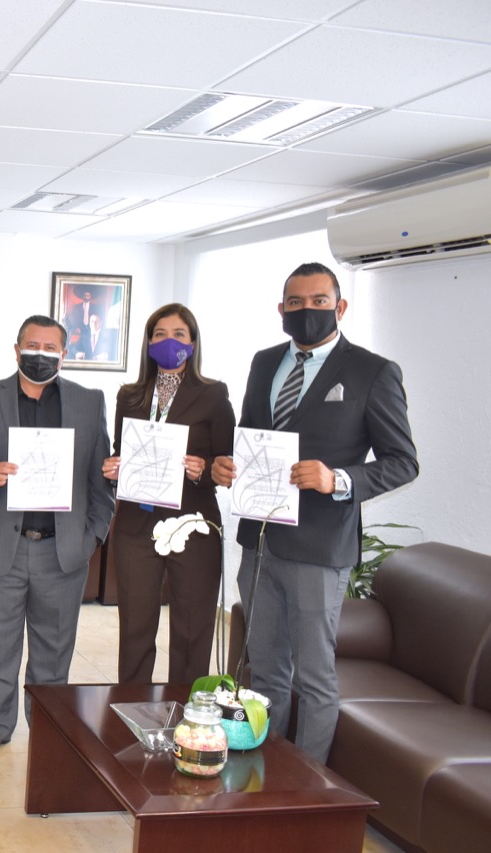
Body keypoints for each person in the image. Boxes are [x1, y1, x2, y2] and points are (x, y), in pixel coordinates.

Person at [211, 261, 418, 763]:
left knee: (314, 677)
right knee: (264, 671)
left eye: (319, 301)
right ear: (281, 310)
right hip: (260, 541)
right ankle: (263, 769)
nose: (307, 310)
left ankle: (307, 785)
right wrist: (227, 464)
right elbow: (252, 433)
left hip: (320, 548)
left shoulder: (373, 371)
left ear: (340, 307)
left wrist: (337, 479)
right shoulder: (264, 362)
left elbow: (403, 462)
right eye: (296, 303)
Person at [0, 315, 114, 759]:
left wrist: (92, 536)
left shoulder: (89, 402)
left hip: (62, 549)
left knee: (54, 649)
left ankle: (48, 728)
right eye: (33, 345)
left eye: (51, 348)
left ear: (64, 355)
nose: (40, 354)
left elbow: (100, 478)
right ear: (16, 350)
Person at [102, 304, 234, 685]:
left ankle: (187, 709)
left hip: (193, 525)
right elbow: (121, 450)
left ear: (192, 343)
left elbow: (226, 463)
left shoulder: (213, 394)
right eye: (159, 334)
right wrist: (113, 467)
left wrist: (203, 470)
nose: (169, 341)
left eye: (179, 334)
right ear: (148, 342)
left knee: (192, 629)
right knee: (135, 627)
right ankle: (132, 704)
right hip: (136, 524)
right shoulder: (129, 396)